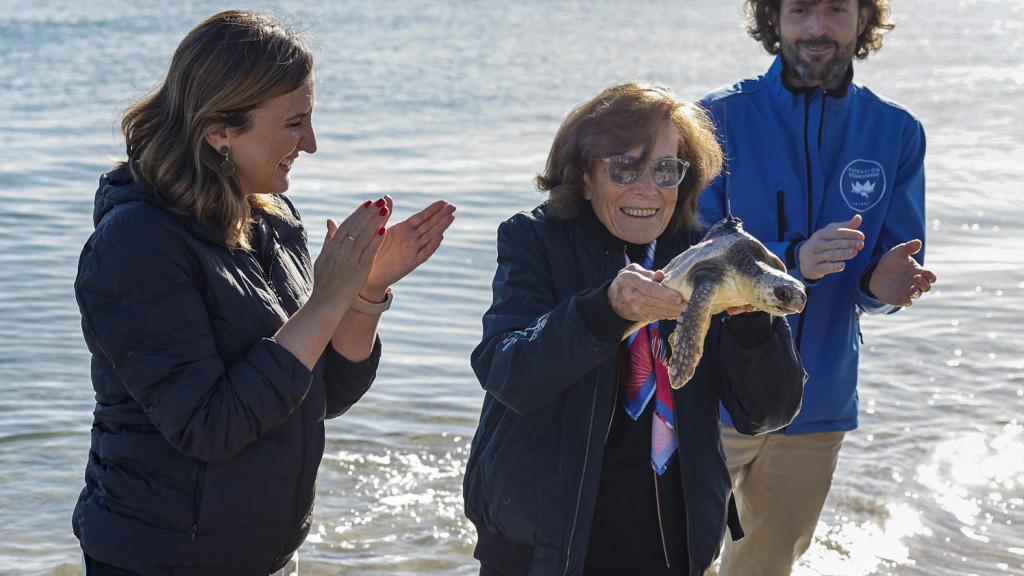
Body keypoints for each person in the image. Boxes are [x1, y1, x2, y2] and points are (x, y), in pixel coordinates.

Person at [72, 11, 455, 576]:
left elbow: (321, 397)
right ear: (219, 131)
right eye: (295, 123)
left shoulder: (272, 218)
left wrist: (363, 293)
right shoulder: (134, 245)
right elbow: (209, 425)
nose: (312, 143)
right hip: (162, 558)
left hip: (267, 555)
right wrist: (327, 298)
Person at [463, 82, 806, 576]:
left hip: (674, 544)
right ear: (583, 175)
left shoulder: (714, 252)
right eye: (623, 168)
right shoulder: (533, 239)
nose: (648, 189)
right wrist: (605, 312)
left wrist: (753, 325)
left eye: (666, 170)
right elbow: (508, 372)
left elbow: (767, 412)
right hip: (542, 545)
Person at [697, 1, 937, 574]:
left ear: (862, 20)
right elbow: (688, 259)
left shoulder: (896, 132)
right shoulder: (715, 119)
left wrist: (883, 286)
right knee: (669, 553)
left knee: (766, 566)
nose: (818, 27)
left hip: (818, 400)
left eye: (835, 9)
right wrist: (790, 262)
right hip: (711, 396)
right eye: (801, 9)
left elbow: (886, 272)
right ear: (773, 19)